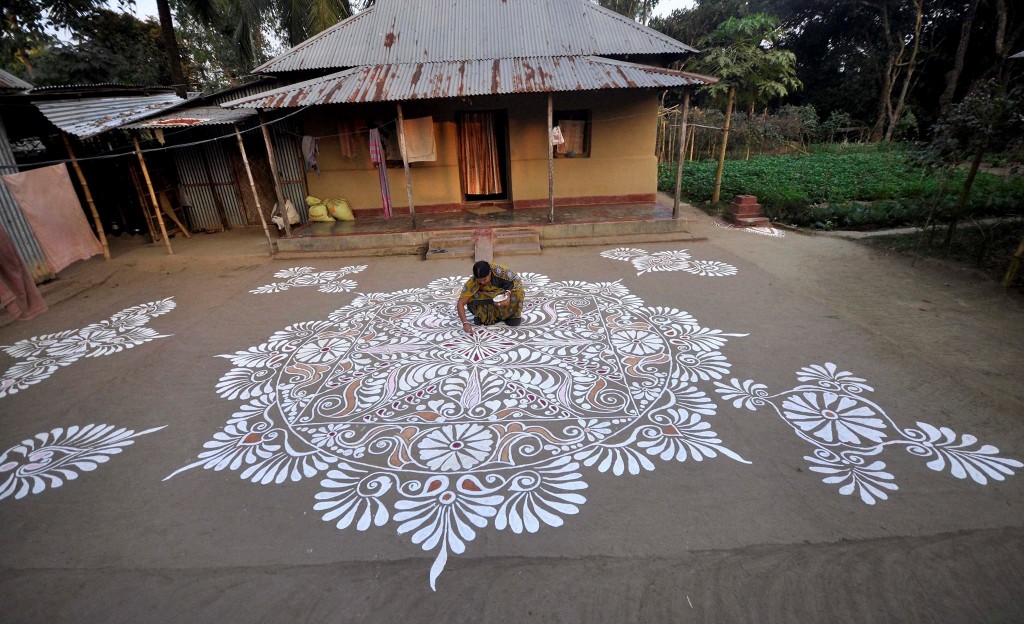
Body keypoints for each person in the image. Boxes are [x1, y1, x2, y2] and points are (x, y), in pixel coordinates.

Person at [457, 261, 524, 333]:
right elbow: (460, 303)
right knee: (472, 299)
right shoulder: (472, 282)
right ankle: (487, 317)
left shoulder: (500, 271)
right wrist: (465, 323)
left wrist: (508, 293)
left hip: (505, 295)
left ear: (489, 273)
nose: (482, 283)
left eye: (484, 279)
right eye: (479, 281)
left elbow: (516, 281)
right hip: (489, 299)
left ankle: (512, 316)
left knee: (519, 292)